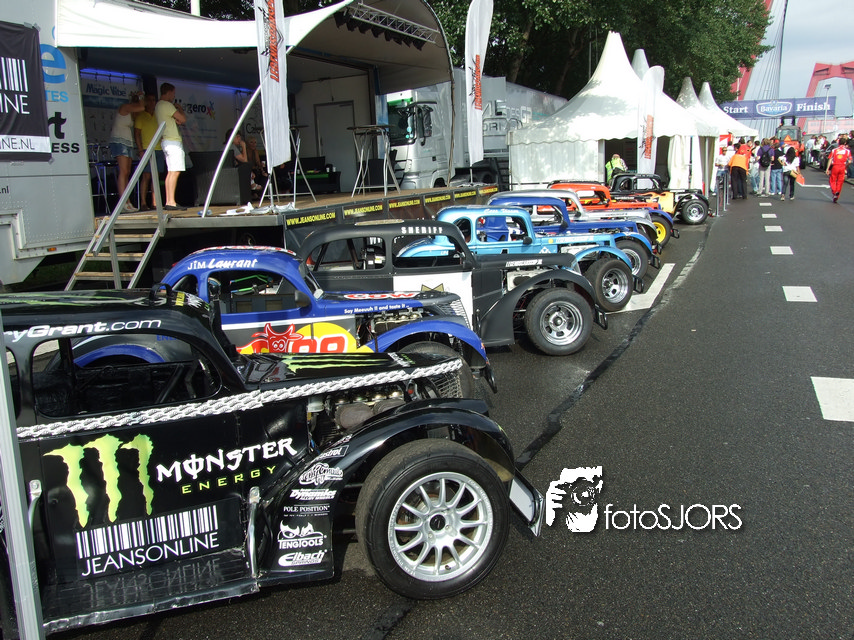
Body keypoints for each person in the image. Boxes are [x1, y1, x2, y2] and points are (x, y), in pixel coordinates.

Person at [108, 91, 145, 212]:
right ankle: (123, 202)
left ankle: (127, 201)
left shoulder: (131, 113)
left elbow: (140, 109)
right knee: (123, 171)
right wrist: (141, 96)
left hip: (128, 142)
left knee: (127, 172)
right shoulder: (125, 107)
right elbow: (142, 107)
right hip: (120, 141)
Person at [154, 82, 187, 211]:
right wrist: (179, 109)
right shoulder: (167, 105)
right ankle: (171, 201)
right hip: (173, 141)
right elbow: (183, 119)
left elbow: (177, 121)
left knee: (171, 171)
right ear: (168, 92)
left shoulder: (158, 105)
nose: (174, 96)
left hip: (166, 141)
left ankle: (169, 200)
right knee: (175, 171)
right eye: (173, 93)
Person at [133, 93, 166, 210]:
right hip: (147, 149)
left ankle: (154, 202)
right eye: (149, 100)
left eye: (153, 100)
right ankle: (143, 203)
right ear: (146, 102)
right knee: (146, 176)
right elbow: (136, 134)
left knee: (155, 177)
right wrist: (140, 150)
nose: (152, 102)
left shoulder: (158, 115)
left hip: (159, 149)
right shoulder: (141, 116)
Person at [227, 129, 252, 205]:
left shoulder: (225, 146)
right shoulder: (232, 147)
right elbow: (244, 160)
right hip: (232, 173)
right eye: (237, 137)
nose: (239, 139)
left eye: (240, 137)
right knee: (247, 166)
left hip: (227, 172)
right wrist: (244, 147)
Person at [825, 136, 852, 203]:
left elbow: (830, 159)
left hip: (835, 166)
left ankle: (834, 192)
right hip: (842, 166)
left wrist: (827, 168)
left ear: (838, 142)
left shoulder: (834, 150)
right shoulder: (847, 151)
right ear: (845, 143)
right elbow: (849, 161)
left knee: (832, 180)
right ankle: (837, 194)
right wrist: (846, 167)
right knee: (840, 181)